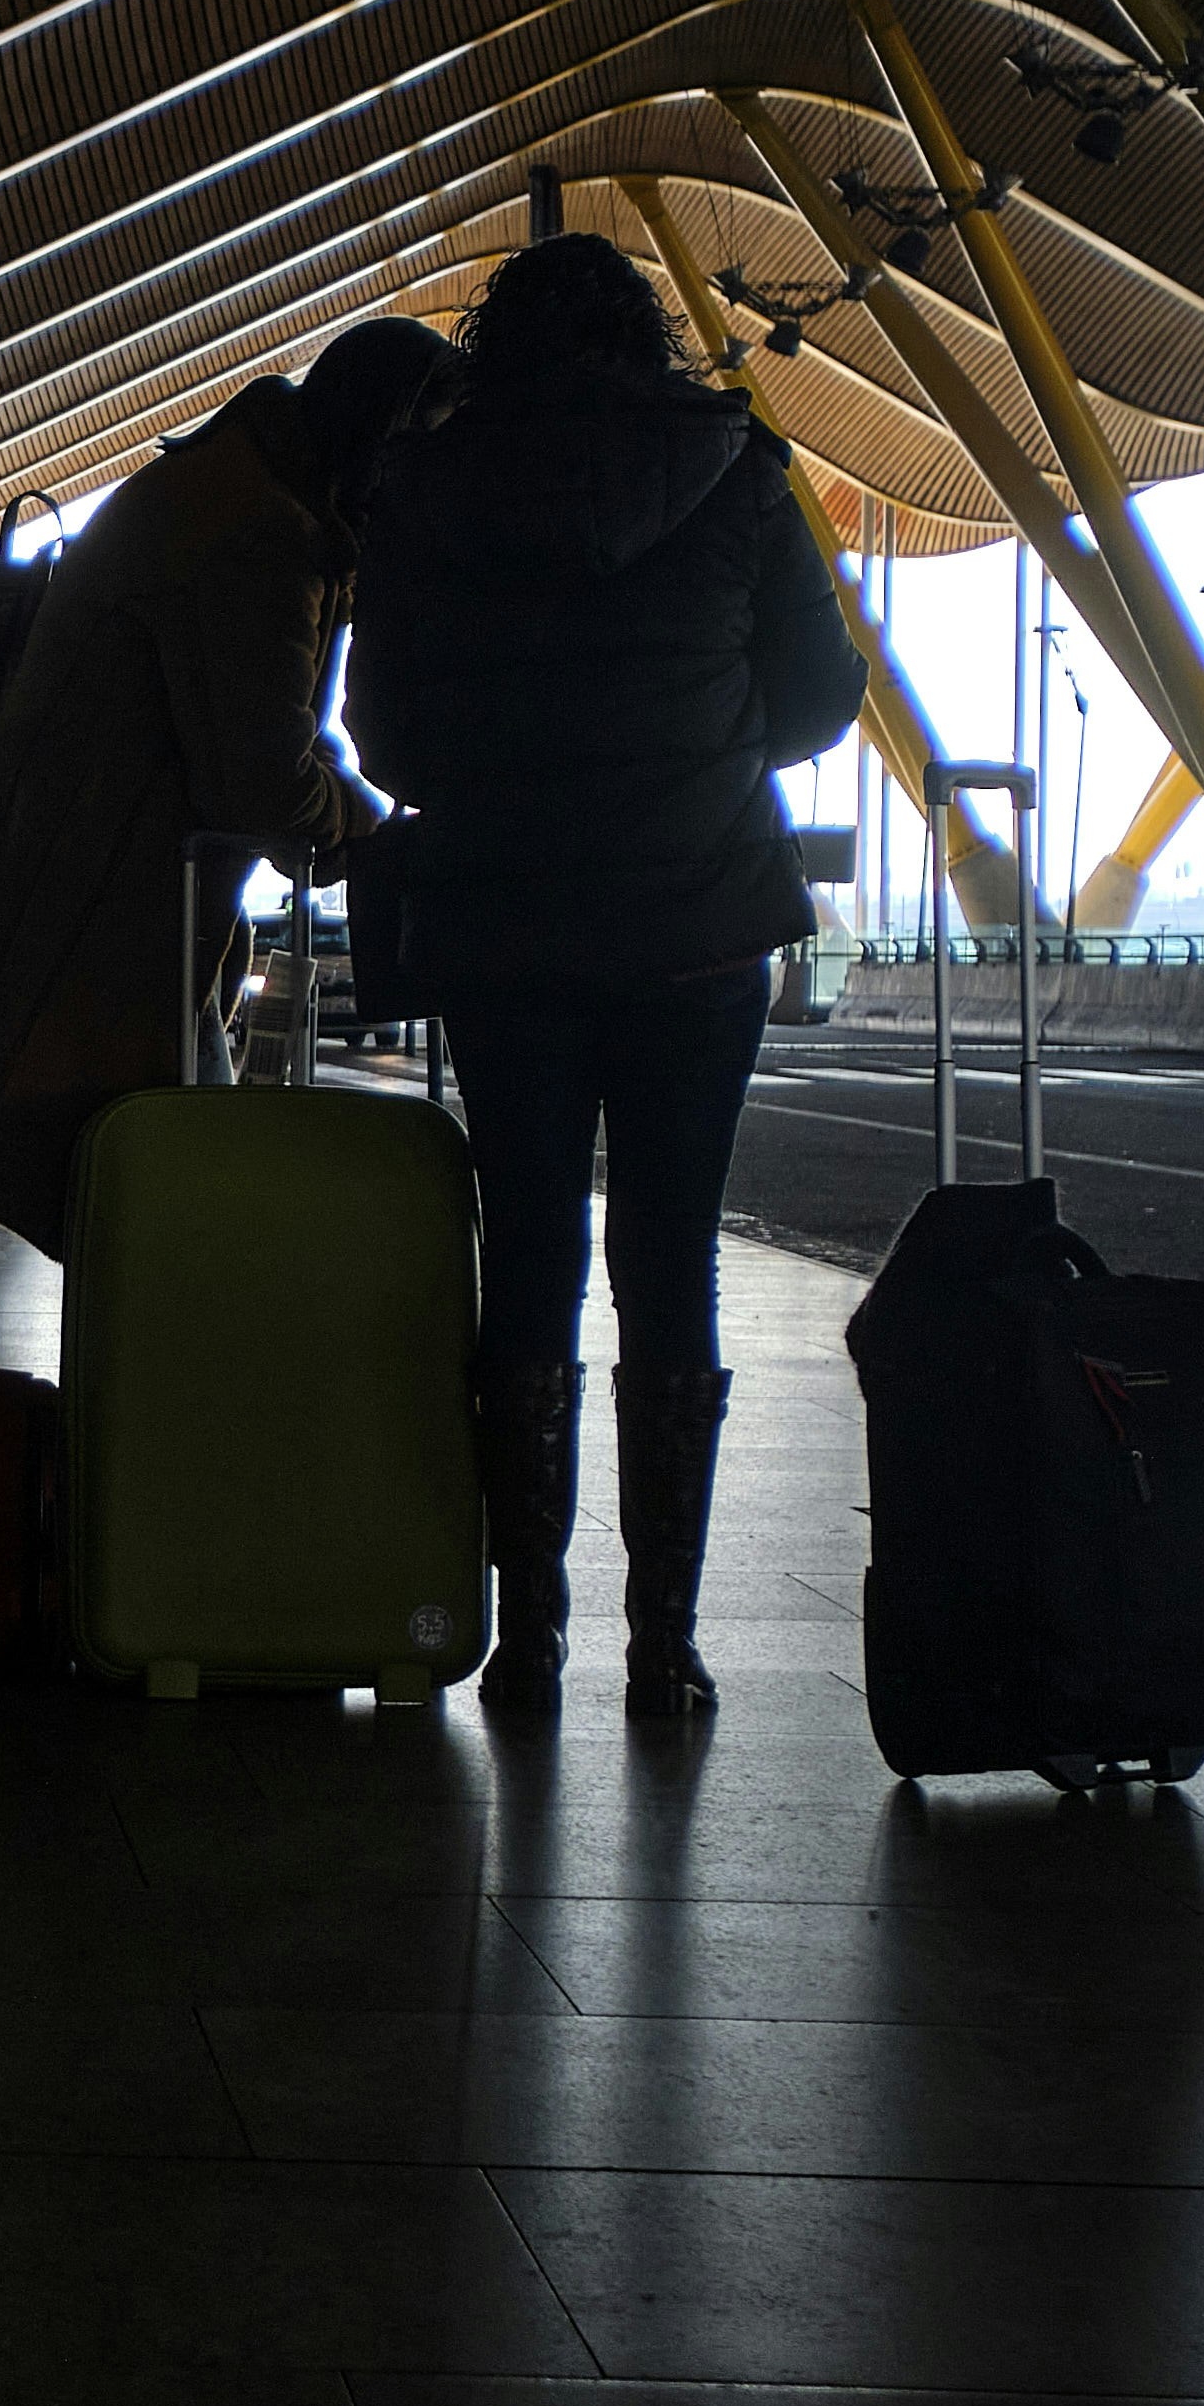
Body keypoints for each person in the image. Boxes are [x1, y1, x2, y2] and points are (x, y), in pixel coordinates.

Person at [345, 230, 862, 1718]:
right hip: (697, 922)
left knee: (529, 1262)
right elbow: (824, 694)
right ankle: (664, 1643)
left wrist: (510, 769)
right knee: (668, 1265)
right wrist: (698, 748)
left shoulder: (425, 488)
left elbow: (381, 735)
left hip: (507, 930)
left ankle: (529, 1636)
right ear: (643, 340)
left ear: (493, 342)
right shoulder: (731, 466)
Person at [0, 317, 451, 1248]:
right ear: (386, 438)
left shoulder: (234, 487)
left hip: (93, 909)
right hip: (101, 929)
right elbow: (263, 779)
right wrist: (371, 827)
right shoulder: (259, 534)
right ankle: (155, 1395)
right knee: (163, 1219)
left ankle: (146, 1389)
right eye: (429, 453)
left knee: (155, 1216)